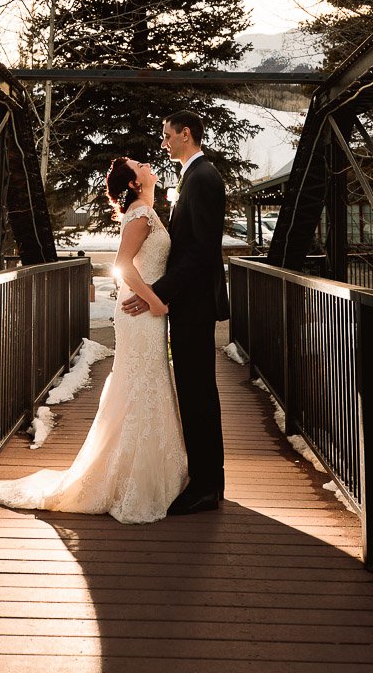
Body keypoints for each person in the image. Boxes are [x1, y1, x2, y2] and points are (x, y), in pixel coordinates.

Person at [0, 157, 187, 525]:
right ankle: (131, 479)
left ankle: (154, 473)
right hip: (140, 313)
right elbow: (123, 265)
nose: (147, 163)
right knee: (140, 384)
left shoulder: (147, 211)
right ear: (135, 184)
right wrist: (155, 300)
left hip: (145, 313)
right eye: (139, 164)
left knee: (147, 384)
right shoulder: (140, 215)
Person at [122, 109, 228, 515]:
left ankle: (205, 485)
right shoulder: (194, 177)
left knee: (197, 392)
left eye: (168, 135)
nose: (163, 142)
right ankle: (209, 479)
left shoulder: (202, 179)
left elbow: (200, 251)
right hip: (189, 302)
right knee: (196, 390)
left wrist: (157, 294)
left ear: (186, 134)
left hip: (193, 304)